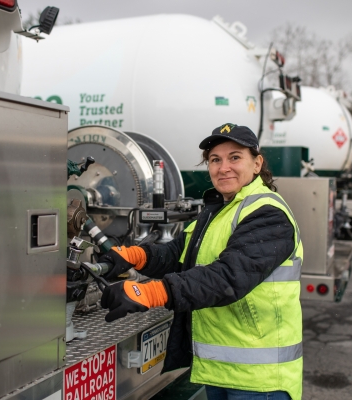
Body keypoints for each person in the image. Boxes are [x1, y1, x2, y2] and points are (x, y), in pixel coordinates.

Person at [99, 123, 303, 400]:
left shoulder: (268, 213)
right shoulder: (218, 211)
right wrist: (135, 255)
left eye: (234, 157)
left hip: (260, 380)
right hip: (221, 371)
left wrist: (153, 291)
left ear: (257, 164)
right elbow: (177, 253)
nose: (223, 168)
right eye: (215, 160)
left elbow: (228, 277)